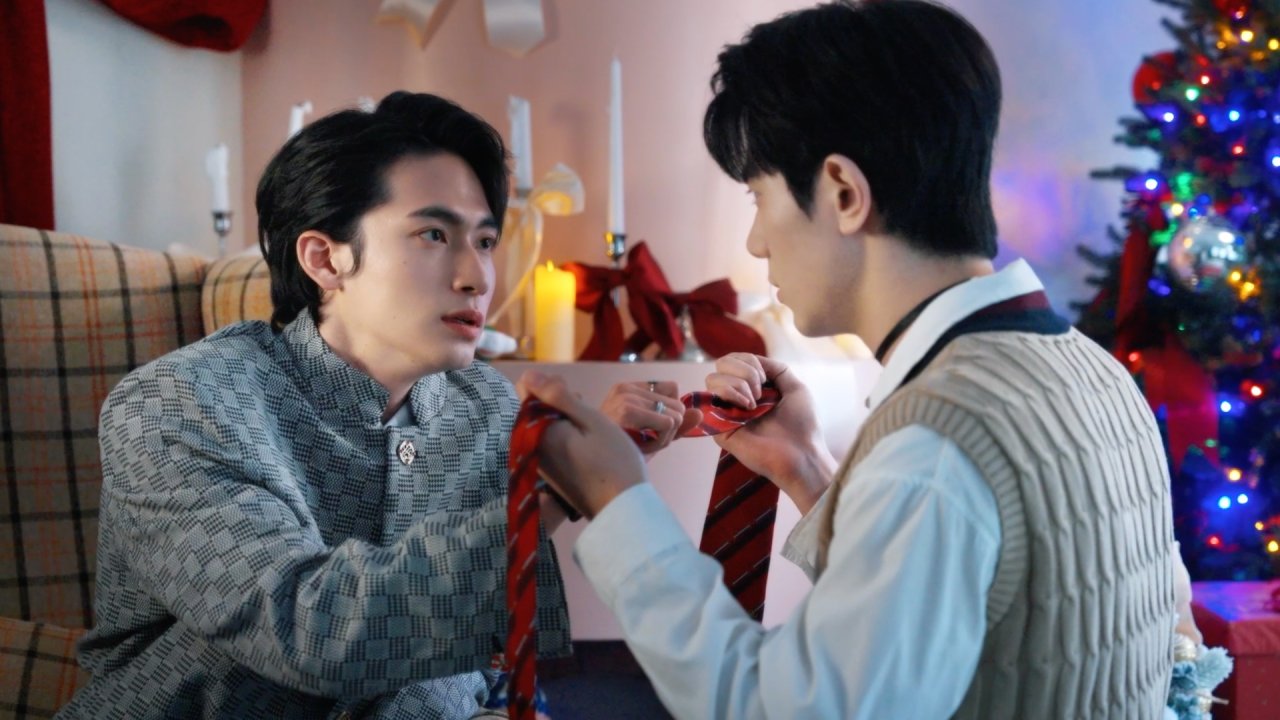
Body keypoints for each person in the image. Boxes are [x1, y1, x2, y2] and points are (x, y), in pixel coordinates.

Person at [518, 2, 1180, 718]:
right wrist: (805, 468)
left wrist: (617, 501)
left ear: (842, 192)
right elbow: (963, 624)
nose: (756, 242)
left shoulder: (934, 443)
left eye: (758, 195)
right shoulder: (1097, 372)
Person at [58, 92, 690, 719]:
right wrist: (552, 494)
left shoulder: (486, 406)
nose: (477, 277)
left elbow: (485, 657)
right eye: (434, 234)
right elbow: (307, 632)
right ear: (325, 259)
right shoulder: (180, 405)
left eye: (485, 241)